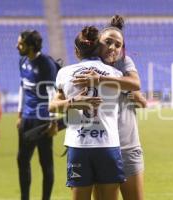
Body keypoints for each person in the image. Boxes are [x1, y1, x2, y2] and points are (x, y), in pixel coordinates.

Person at [73, 15, 146, 200]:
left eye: (118, 44)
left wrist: (101, 80)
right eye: (108, 42)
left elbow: (136, 85)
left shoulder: (124, 63)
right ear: (98, 44)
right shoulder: (86, 68)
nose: (113, 48)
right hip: (100, 147)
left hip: (128, 145)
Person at [49, 26, 125, 200]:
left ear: (76, 51)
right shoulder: (115, 74)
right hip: (108, 146)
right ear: (99, 48)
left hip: (79, 146)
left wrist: (73, 102)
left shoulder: (64, 73)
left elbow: (52, 107)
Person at [16, 29, 59, 200]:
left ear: (32, 46)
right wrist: (19, 115)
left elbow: (51, 94)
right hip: (26, 119)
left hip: (42, 120)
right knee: (22, 160)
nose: (17, 46)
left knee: (45, 162)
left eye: (21, 44)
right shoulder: (23, 61)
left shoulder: (46, 64)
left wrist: (53, 122)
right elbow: (22, 88)